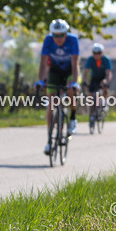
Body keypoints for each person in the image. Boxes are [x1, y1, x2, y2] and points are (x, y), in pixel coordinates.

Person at [36, 19, 80, 155]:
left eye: (61, 35)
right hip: (55, 71)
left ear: (66, 34)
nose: (58, 38)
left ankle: (72, 118)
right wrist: (40, 81)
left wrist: (74, 82)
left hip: (69, 72)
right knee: (50, 104)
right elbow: (43, 63)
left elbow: (75, 63)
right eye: (55, 35)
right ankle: (49, 140)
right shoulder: (48, 40)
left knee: (72, 91)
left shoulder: (73, 40)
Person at [82, 42, 112, 129]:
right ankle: (92, 114)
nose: (97, 55)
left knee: (104, 87)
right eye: (95, 53)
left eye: (99, 53)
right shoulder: (90, 59)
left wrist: (106, 80)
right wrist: (84, 81)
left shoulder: (106, 59)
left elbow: (108, 73)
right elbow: (86, 71)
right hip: (94, 78)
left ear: (102, 53)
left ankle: (105, 104)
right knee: (91, 97)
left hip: (103, 77)